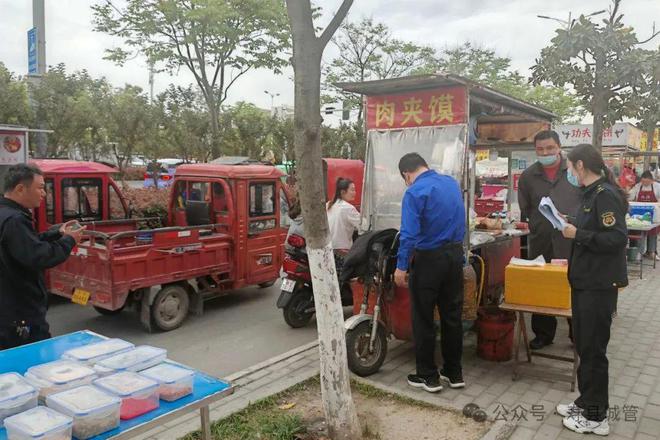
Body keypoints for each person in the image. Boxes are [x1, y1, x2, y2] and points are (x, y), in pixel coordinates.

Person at [557, 144, 628, 436]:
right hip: (585, 282)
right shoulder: (589, 194)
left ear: (581, 166)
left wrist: (579, 234)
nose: (569, 172)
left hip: (599, 285)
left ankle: (597, 417)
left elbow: (617, 239)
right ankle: (586, 402)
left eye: (571, 167)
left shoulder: (605, 195)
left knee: (594, 350)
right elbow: (593, 229)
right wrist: (571, 224)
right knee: (585, 346)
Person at [393, 153, 466, 393]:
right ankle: (454, 373)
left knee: (423, 318)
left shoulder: (414, 192)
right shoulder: (451, 184)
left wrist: (401, 267)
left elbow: (409, 234)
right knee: (452, 316)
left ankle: (428, 375)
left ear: (406, 174)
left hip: (428, 261)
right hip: (454, 257)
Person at [0, 164, 84, 350]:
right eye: (40, 188)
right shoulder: (15, 220)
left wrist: (56, 233)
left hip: (8, 311)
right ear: (20, 189)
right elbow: (40, 256)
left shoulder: (6, 214)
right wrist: (69, 240)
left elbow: (25, 245)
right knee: (34, 362)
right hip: (20, 315)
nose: (44, 194)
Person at [518, 130, 580, 350]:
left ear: (559, 147)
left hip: (571, 242)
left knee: (573, 286)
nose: (545, 152)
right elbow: (525, 208)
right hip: (541, 241)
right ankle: (544, 334)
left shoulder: (574, 171)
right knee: (542, 286)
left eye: (550, 148)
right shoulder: (528, 176)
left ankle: (577, 333)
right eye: (540, 149)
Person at [628, 170, 660, 260]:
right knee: (640, 232)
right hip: (640, 214)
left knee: (653, 233)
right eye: (643, 181)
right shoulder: (638, 186)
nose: (644, 183)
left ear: (652, 180)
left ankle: (651, 252)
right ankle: (639, 252)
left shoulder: (657, 187)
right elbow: (630, 196)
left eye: (647, 182)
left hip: (654, 214)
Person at [326, 178, 360, 253]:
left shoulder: (328, 205)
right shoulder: (348, 208)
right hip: (342, 251)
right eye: (352, 190)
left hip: (328, 248)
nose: (355, 192)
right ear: (343, 192)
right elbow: (364, 226)